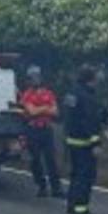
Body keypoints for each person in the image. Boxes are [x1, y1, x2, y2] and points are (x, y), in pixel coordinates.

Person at [63, 64, 107, 214]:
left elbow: (71, 116)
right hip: (84, 143)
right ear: (91, 79)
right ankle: (80, 209)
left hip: (72, 140)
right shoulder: (87, 96)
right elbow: (89, 121)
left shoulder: (72, 92)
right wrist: (96, 143)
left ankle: (71, 205)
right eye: (96, 77)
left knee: (75, 175)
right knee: (85, 176)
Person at [18, 66, 63, 198]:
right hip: (33, 130)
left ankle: (57, 189)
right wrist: (46, 107)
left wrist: (40, 109)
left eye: (37, 76)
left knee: (51, 160)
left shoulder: (49, 93)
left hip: (46, 129)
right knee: (35, 160)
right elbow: (31, 112)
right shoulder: (27, 95)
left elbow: (56, 112)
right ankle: (41, 186)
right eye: (32, 77)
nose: (35, 79)